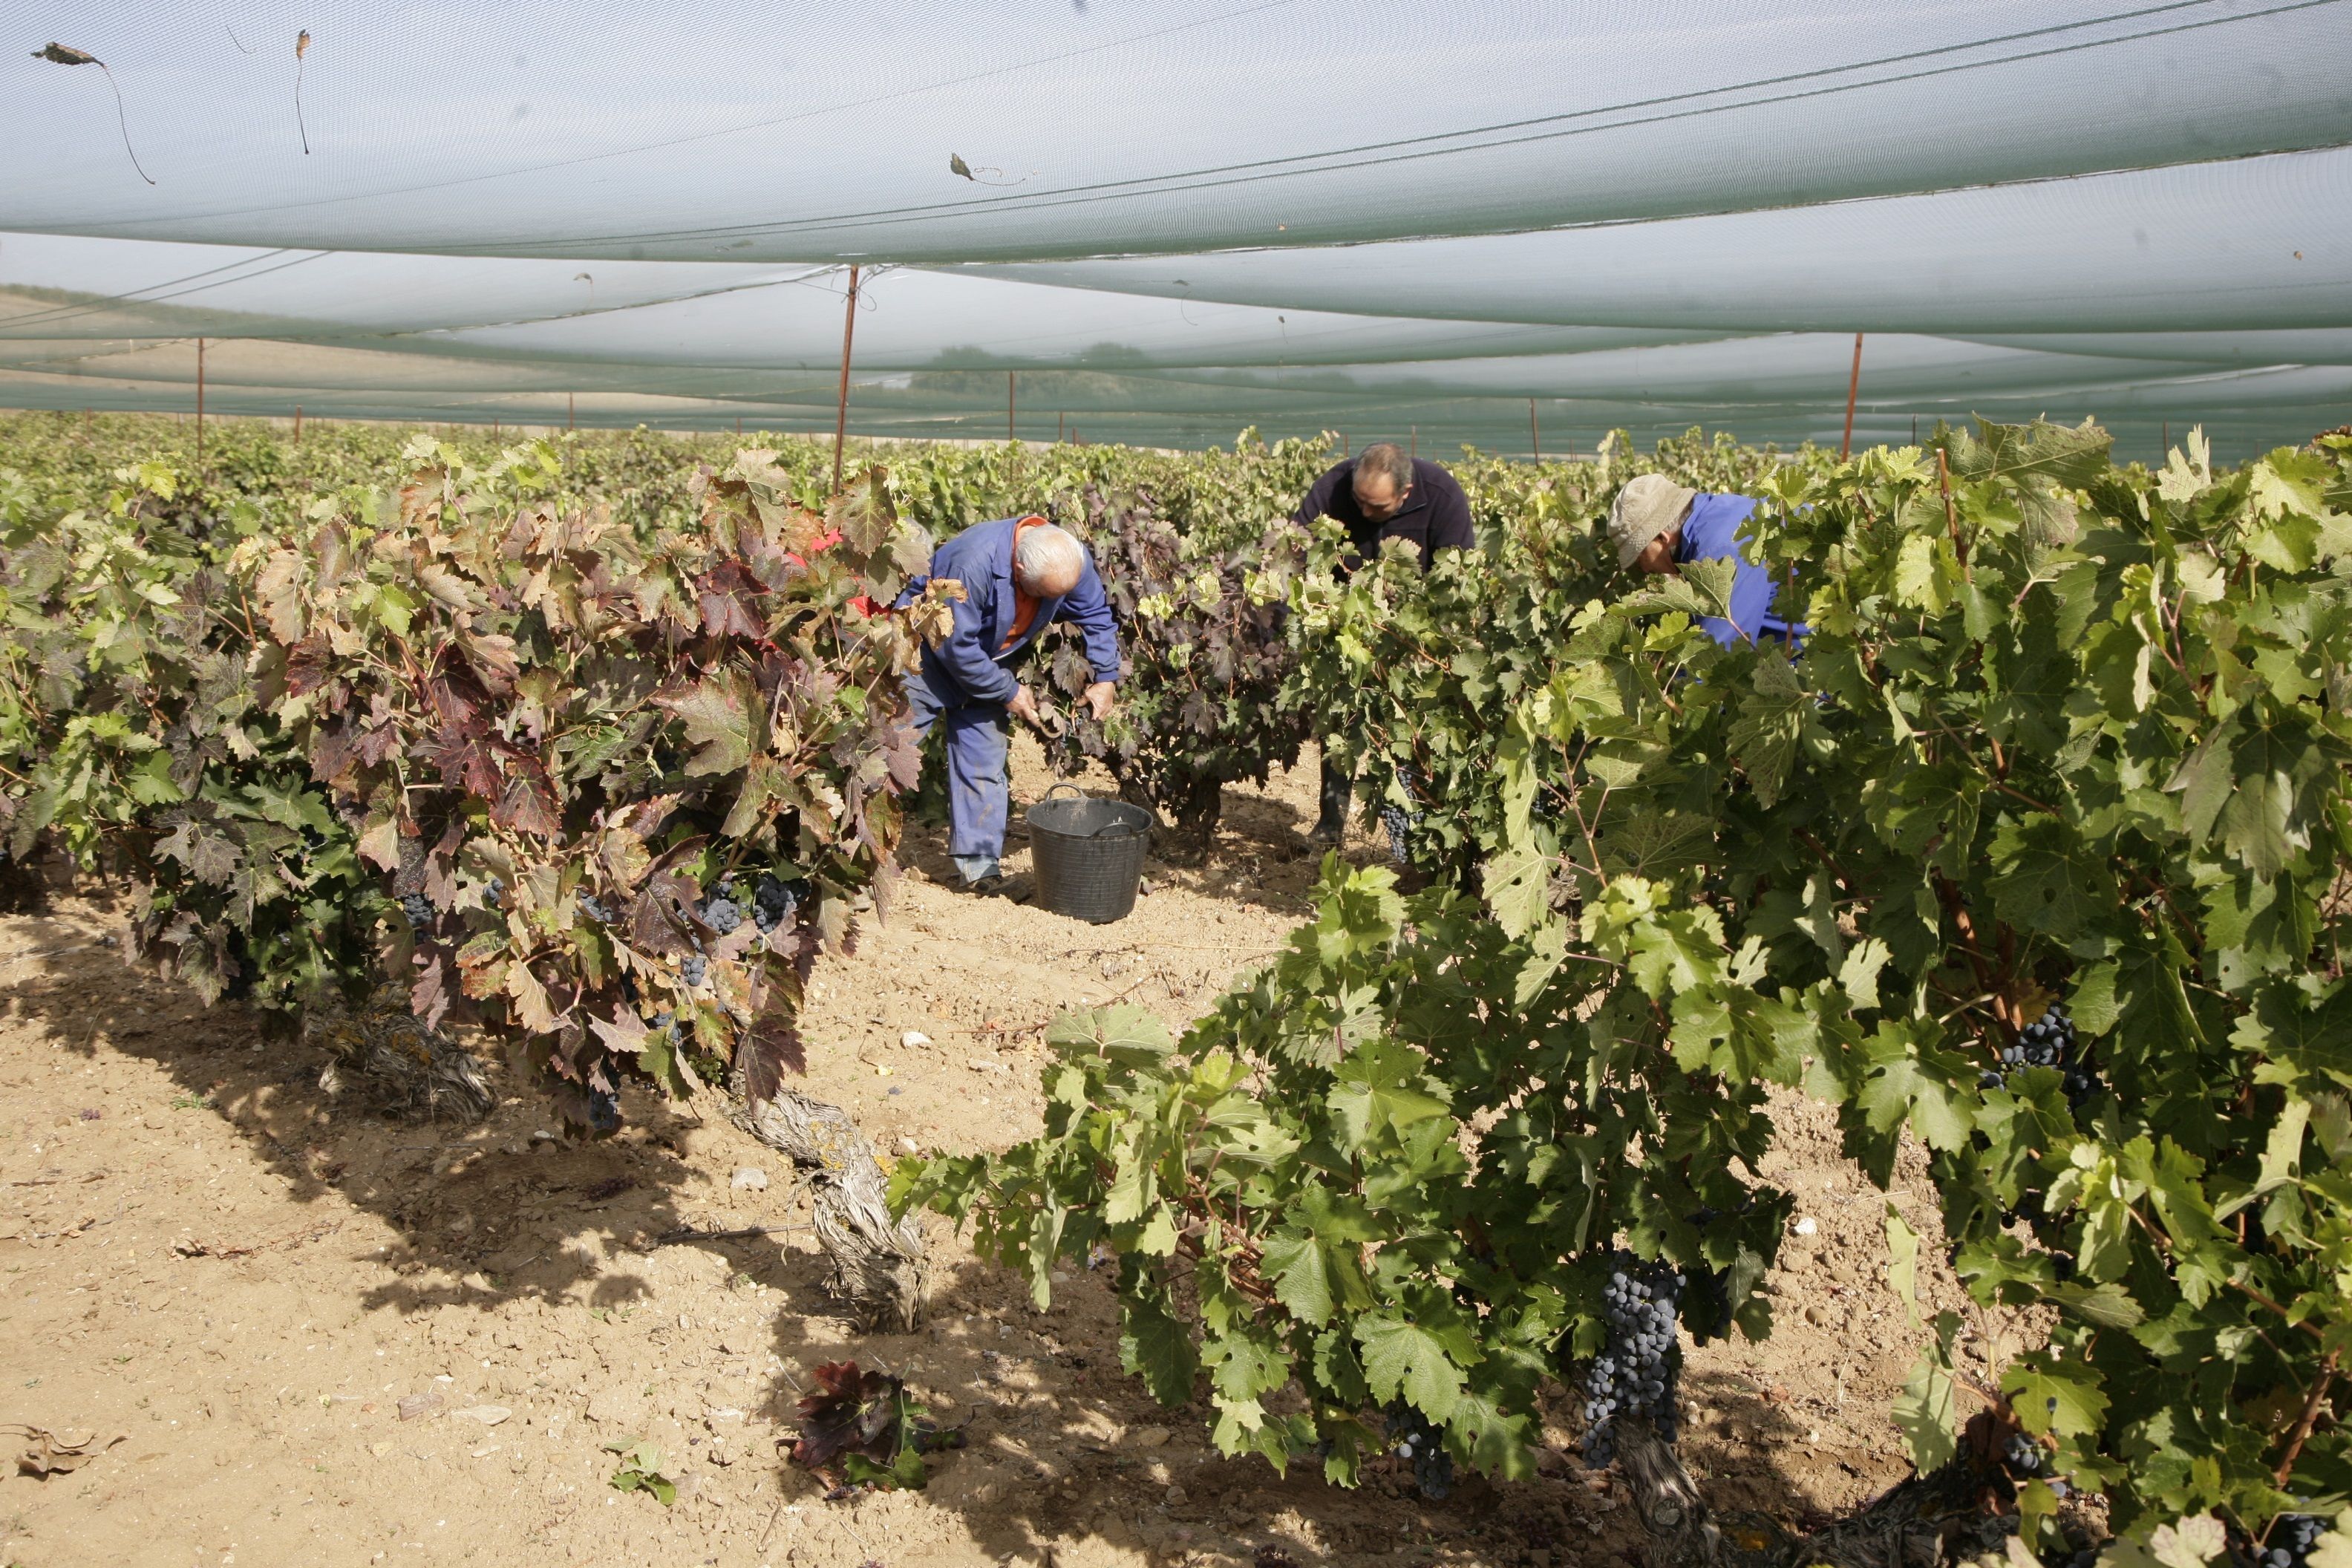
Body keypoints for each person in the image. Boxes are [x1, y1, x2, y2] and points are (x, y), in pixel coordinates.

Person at [905, 515, 1120, 898]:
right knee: (890, 753)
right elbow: (954, 646)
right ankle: (844, 856)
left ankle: (979, 867)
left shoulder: (1068, 559)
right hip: (924, 656)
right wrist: (1009, 691)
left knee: (984, 761)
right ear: (1018, 569)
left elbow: (1095, 617)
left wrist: (1106, 676)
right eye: (1041, 596)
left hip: (988, 658)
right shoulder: (971, 562)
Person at [1293, 441, 1477, 846]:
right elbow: (1295, 552)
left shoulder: (1443, 496)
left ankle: (1421, 829)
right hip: (1347, 628)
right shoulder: (1332, 489)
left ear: (1405, 493)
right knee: (1339, 721)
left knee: (1415, 730)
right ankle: (1330, 823)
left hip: (1415, 635)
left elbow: (1458, 578)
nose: (1364, 514)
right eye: (1360, 502)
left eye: (1377, 508)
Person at [1607, 473, 1806, 647]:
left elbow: (1720, 654)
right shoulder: (1716, 511)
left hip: (1818, 669)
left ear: (1662, 537)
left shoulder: (1721, 552)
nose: (1642, 567)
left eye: (1640, 553)